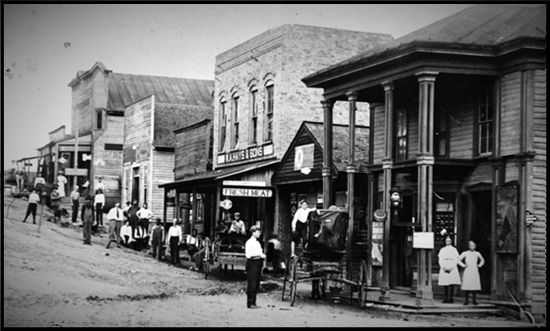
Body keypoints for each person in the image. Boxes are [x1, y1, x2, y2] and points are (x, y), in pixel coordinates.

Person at [438, 236, 465, 303]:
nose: (448, 242)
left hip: (452, 265)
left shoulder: (454, 250)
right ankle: (446, 297)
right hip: (445, 265)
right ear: (445, 242)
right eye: (447, 241)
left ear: (451, 242)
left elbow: (456, 259)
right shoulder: (442, 250)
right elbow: (440, 259)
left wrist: (452, 267)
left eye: (449, 241)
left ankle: (451, 298)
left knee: (451, 283)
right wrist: (443, 267)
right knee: (445, 283)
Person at [245, 225, 266, 309]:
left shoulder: (257, 242)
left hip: (258, 263)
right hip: (252, 262)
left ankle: (253, 302)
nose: (259, 233)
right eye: (258, 232)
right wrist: (260, 255)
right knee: (252, 283)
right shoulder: (249, 242)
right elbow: (249, 255)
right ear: (253, 232)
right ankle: (250, 302)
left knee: (256, 283)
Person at [459, 241, 485, 305]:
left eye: (473, 246)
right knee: (467, 285)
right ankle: (466, 300)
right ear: (468, 246)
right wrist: (463, 265)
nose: (472, 247)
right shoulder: (465, 253)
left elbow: (482, 260)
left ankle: (474, 300)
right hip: (468, 270)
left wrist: (479, 265)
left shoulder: (477, 253)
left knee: (474, 286)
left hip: (474, 270)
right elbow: (458, 259)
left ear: (475, 247)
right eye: (471, 246)